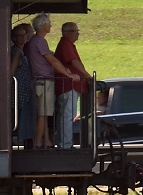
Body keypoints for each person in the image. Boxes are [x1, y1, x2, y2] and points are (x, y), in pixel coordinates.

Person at [25, 13, 80, 149]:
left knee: (44, 114)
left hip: (40, 82)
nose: (51, 25)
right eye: (49, 23)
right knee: (43, 114)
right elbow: (52, 60)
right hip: (44, 83)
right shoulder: (39, 41)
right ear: (43, 26)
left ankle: (47, 141)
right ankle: (38, 143)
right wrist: (68, 74)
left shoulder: (35, 41)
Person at [54, 21, 90, 149]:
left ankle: (64, 143)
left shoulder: (67, 44)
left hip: (69, 86)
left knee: (66, 114)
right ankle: (65, 145)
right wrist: (87, 75)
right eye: (75, 31)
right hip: (69, 85)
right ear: (67, 33)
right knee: (67, 115)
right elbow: (73, 62)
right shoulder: (66, 44)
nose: (78, 34)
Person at [10, 23, 35, 149]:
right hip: (20, 91)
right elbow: (11, 72)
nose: (23, 37)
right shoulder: (17, 53)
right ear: (14, 38)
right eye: (19, 36)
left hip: (23, 89)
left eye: (24, 34)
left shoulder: (20, 50)